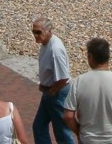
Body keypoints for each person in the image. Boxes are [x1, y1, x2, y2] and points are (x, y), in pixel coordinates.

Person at [64, 38, 112, 144]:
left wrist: (79, 132)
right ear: (108, 57)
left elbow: (68, 116)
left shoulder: (78, 82)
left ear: (90, 56)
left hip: (89, 139)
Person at [31, 16, 74, 144]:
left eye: (39, 32)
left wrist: (51, 91)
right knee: (39, 126)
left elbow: (63, 77)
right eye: (34, 32)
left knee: (62, 131)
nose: (36, 35)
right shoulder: (46, 44)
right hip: (50, 92)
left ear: (49, 31)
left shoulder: (55, 49)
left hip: (57, 93)